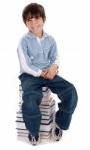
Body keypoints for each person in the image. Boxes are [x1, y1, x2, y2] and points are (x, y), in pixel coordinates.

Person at [17, 3, 78, 146]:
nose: (33, 23)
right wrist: (40, 73)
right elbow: (25, 65)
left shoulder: (50, 40)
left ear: (44, 19)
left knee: (71, 91)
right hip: (30, 75)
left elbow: (55, 57)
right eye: (29, 20)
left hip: (48, 73)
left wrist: (54, 68)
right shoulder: (23, 41)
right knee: (31, 99)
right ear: (25, 23)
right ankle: (33, 131)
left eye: (36, 18)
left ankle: (60, 123)